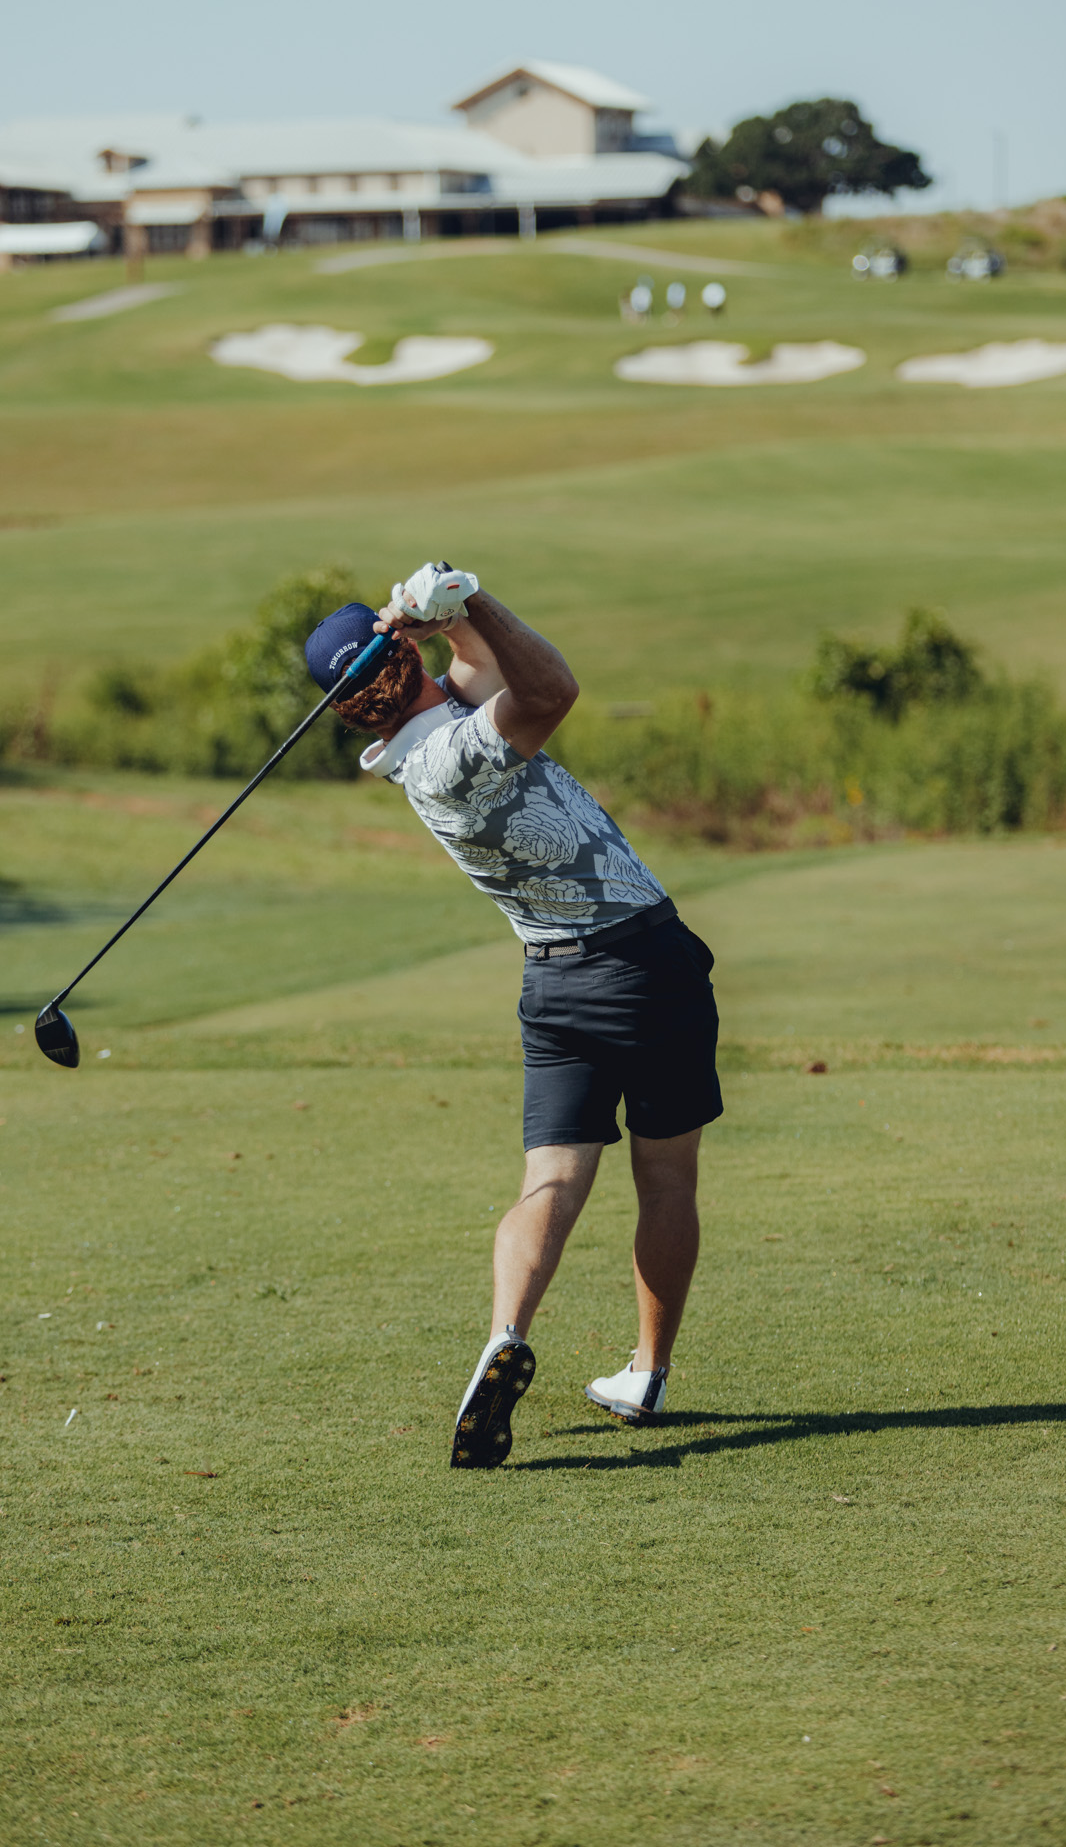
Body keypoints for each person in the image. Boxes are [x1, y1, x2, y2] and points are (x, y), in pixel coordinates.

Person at [303, 564, 722, 1469]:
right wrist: (472, 601)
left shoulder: (420, 748)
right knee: (666, 1179)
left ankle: (505, 1336)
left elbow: (483, 671)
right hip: (644, 965)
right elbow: (550, 688)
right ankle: (646, 1373)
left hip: (554, 988)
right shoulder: (455, 754)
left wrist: (450, 619)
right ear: (399, 658)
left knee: (550, 1184)